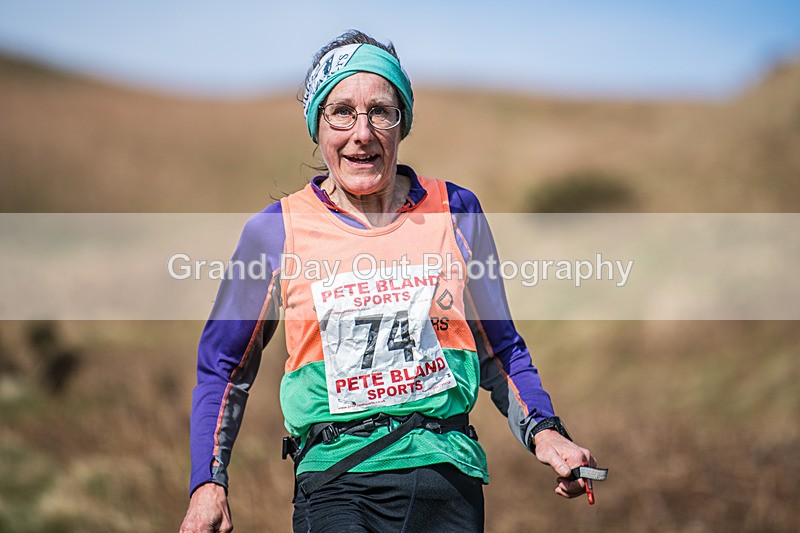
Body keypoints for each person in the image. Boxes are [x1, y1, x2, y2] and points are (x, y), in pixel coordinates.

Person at [180, 30, 597, 533]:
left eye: (381, 111)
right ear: (317, 124)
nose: (362, 132)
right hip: (336, 483)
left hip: (448, 480)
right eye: (341, 112)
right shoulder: (275, 231)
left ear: (403, 123)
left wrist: (545, 432)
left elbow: (499, 347)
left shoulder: (455, 211)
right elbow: (224, 366)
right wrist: (208, 482)